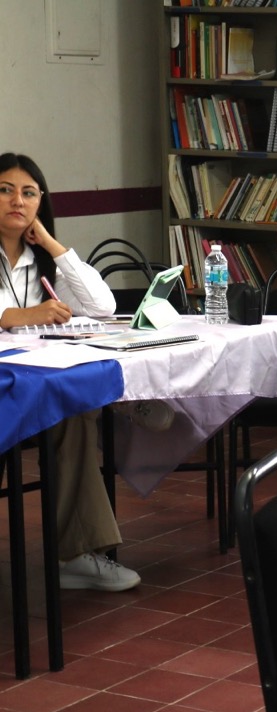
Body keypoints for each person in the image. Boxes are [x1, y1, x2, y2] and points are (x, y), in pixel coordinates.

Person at [0, 152, 139, 591]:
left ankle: (75, 555)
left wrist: (54, 247)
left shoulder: (41, 262)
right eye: (4, 190)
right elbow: (15, 318)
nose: (16, 201)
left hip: (35, 378)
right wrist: (19, 315)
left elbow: (102, 306)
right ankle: (137, 410)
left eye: (29, 193)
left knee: (75, 409)